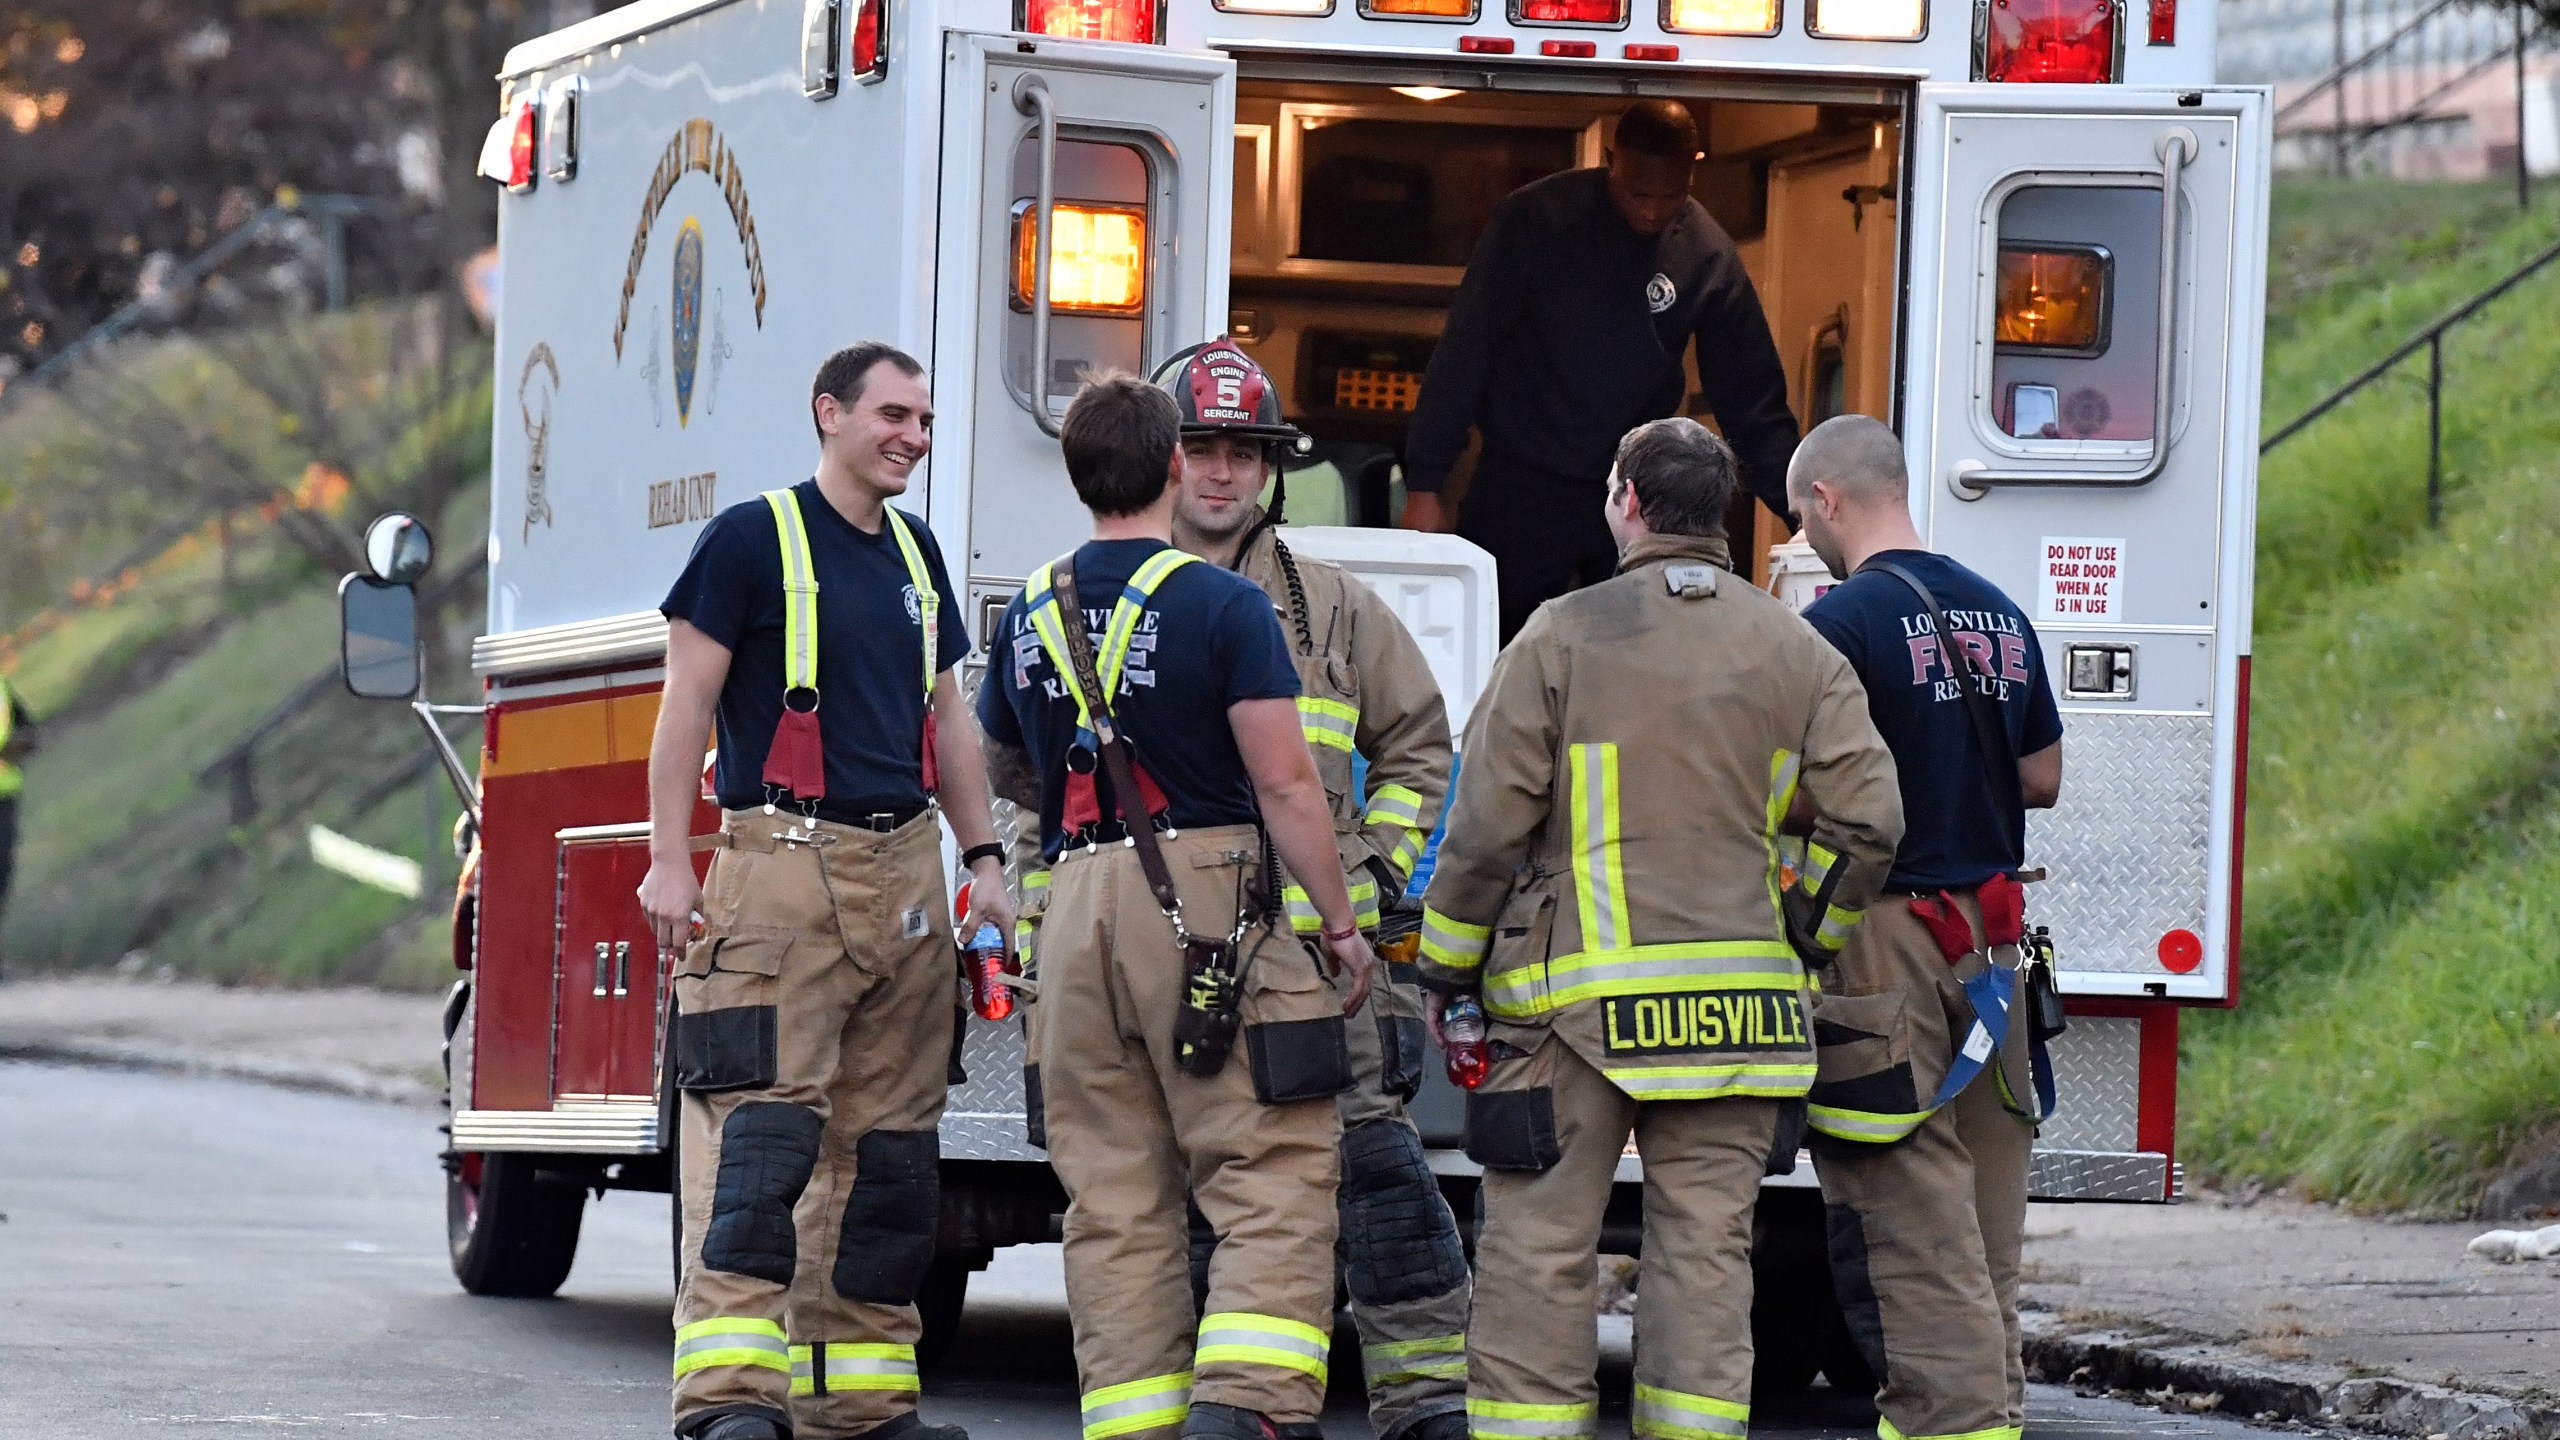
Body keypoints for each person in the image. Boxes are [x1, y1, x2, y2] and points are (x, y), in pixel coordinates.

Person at [1413, 418, 1901, 1440]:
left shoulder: (1559, 633)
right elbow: (1870, 819)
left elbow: (1485, 824)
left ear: (1626, 501)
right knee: (1704, 1251)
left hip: (1570, 1016)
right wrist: (1806, 932)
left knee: (1541, 1245)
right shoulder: (1794, 645)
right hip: (1741, 1020)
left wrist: (1448, 968)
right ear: (1719, 511)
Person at [975, 372, 1375, 1440]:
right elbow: (1288, 783)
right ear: (1167, 469)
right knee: (1270, 1167)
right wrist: (1339, 924)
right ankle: (1242, 1409)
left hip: (1071, 911)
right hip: (1207, 906)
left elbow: (998, 763)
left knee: (1110, 1196)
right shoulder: (1227, 605)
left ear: (1075, 474)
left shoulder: (1027, 612)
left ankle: (1135, 1422)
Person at [637, 341, 1014, 1440]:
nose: (914, 435)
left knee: (889, 1156)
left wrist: (983, 863)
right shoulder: (749, 540)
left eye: (926, 420)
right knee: (758, 1146)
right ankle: (729, 1403)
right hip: (779, 871)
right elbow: (682, 709)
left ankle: (856, 1404)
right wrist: (670, 859)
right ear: (830, 415)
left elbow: (947, 722)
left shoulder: (914, 552)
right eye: (893, 414)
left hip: (903, 876)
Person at [1156, 339, 1472, 1440]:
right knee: (1187, 1198)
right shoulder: (1096, 597)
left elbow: (1419, 747)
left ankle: (1426, 1402)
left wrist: (1379, 863)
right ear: (1163, 455)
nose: (1222, 472)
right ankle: (1217, 1404)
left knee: (1381, 1182)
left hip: (1320, 959)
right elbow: (1026, 779)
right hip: (1169, 959)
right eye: (1199, 446)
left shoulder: (1334, 610)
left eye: (1244, 451)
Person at [1785, 413, 2066, 1440]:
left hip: (1884, 944)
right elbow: (2041, 775)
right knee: (1988, 1212)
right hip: (1993, 947)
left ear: (1825, 500)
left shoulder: (1838, 626)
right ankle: (1991, 1412)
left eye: (1797, 513)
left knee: (1903, 1206)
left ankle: (1949, 1423)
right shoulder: (1996, 610)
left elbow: (1803, 794)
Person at [1400, 100, 1800, 641]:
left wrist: (1800, 513)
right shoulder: (1534, 221)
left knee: (1630, 653)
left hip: (1631, 492)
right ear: (1612, 159)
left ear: (1694, 169)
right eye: (1638, 193)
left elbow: (1751, 400)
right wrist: (1425, 483)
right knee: (1491, 641)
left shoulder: (1707, 255)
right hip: (1521, 483)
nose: (1653, 212)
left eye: (1671, 196)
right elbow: (1465, 352)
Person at [0, 673, 33, 971]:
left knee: (1, 874)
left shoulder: (2, 688)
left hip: (3, 797)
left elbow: (27, 730)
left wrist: (16, 745)